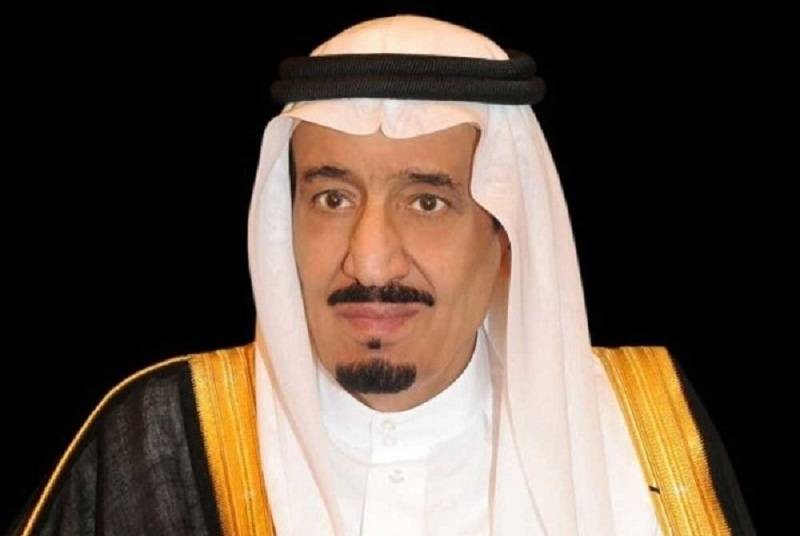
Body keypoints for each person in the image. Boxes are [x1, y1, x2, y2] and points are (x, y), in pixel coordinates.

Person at [9, 14, 754, 536]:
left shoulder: (637, 431)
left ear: (503, 235)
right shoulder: (164, 434)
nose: (368, 261)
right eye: (332, 199)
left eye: (427, 201)